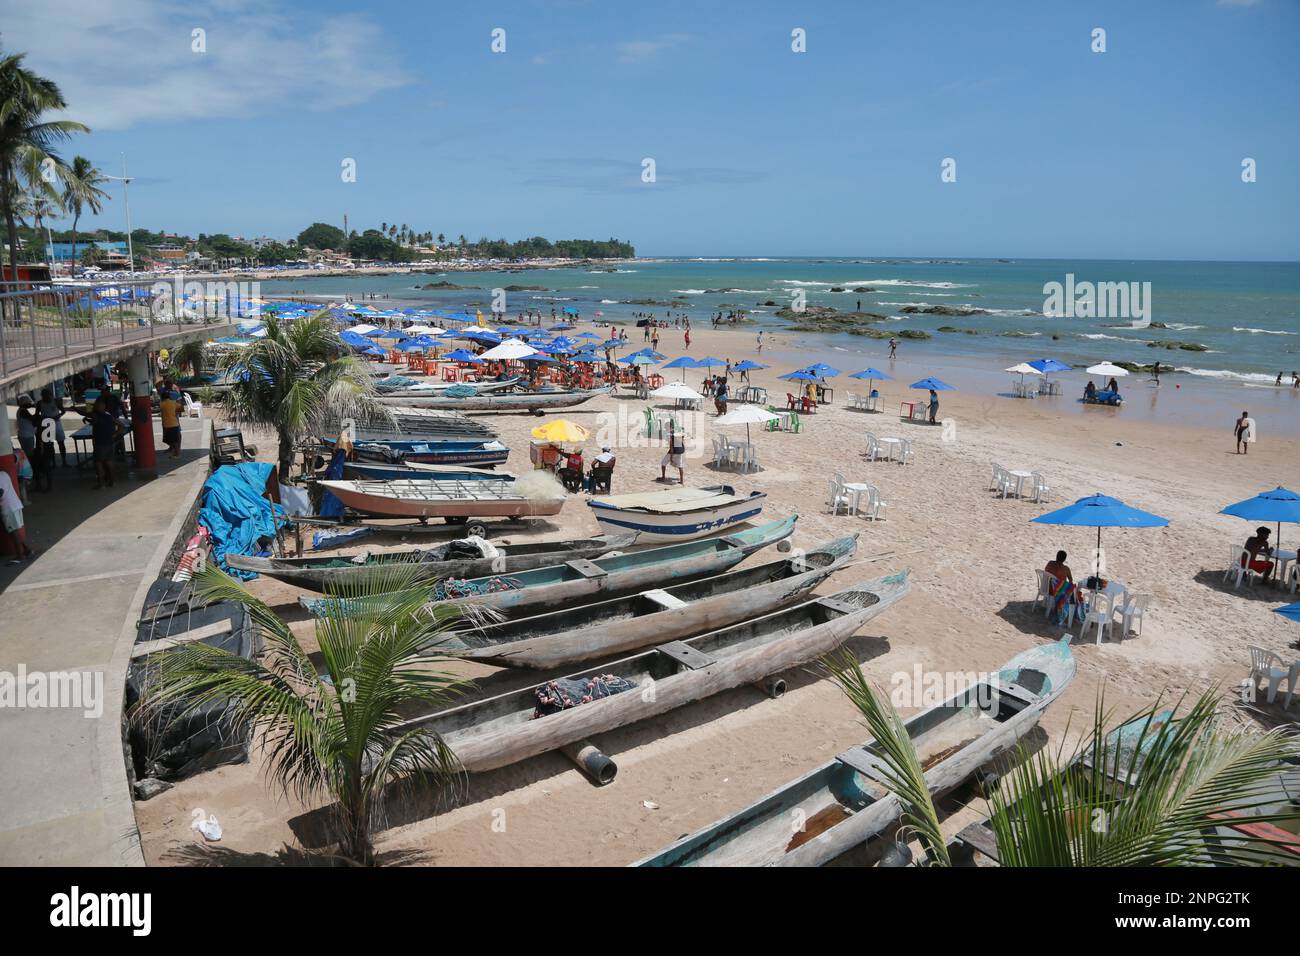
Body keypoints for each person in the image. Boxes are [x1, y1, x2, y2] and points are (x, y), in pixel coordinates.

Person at [0, 468, 34, 563]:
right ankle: (27, 550)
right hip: (16, 505)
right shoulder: (4, 473)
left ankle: (20, 556)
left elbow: (1, 492)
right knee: (15, 532)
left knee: (13, 533)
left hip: (8, 507)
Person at [90, 398, 120, 489]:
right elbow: (121, 425)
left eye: (96, 405)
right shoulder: (109, 415)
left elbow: (93, 420)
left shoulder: (95, 415)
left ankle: (101, 483)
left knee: (98, 463)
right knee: (109, 462)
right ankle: (112, 482)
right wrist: (114, 435)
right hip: (109, 443)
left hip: (100, 443)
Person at [36, 388, 68, 467]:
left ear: (51, 395)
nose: (47, 397)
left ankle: (64, 461)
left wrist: (58, 416)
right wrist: (43, 418)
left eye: (48, 395)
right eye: (45, 396)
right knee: (50, 445)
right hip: (46, 425)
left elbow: (63, 411)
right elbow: (36, 414)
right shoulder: (40, 403)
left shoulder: (56, 401)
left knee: (61, 443)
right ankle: (53, 463)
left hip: (57, 424)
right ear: (42, 396)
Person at [159, 389, 183, 459]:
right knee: (176, 440)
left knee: (169, 440)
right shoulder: (174, 403)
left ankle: (173, 452)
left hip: (166, 424)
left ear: (162, 397)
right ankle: (176, 454)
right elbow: (181, 409)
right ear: (169, 397)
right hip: (174, 423)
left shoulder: (161, 404)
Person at [661, 420, 685, 484]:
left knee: (663, 463)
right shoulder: (677, 431)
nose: (665, 429)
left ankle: (663, 478)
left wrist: (671, 457)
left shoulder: (669, 434)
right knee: (680, 466)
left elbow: (671, 446)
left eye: (665, 428)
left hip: (674, 450)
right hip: (681, 450)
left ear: (668, 427)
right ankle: (682, 481)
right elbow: (683, 437)